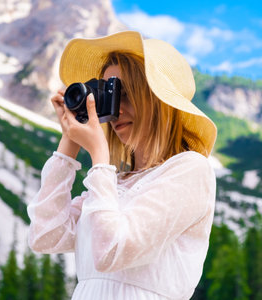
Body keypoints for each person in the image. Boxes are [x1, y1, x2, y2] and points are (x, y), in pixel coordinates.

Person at [27, 30, 217, 299]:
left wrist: (99, 156)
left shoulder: (190, 170)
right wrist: (70, 139)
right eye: (110, 95)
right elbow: (45, 234)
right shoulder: (112, 186)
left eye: (125, 93)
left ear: (159, 102)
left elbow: (112, 251)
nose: (116, 108)